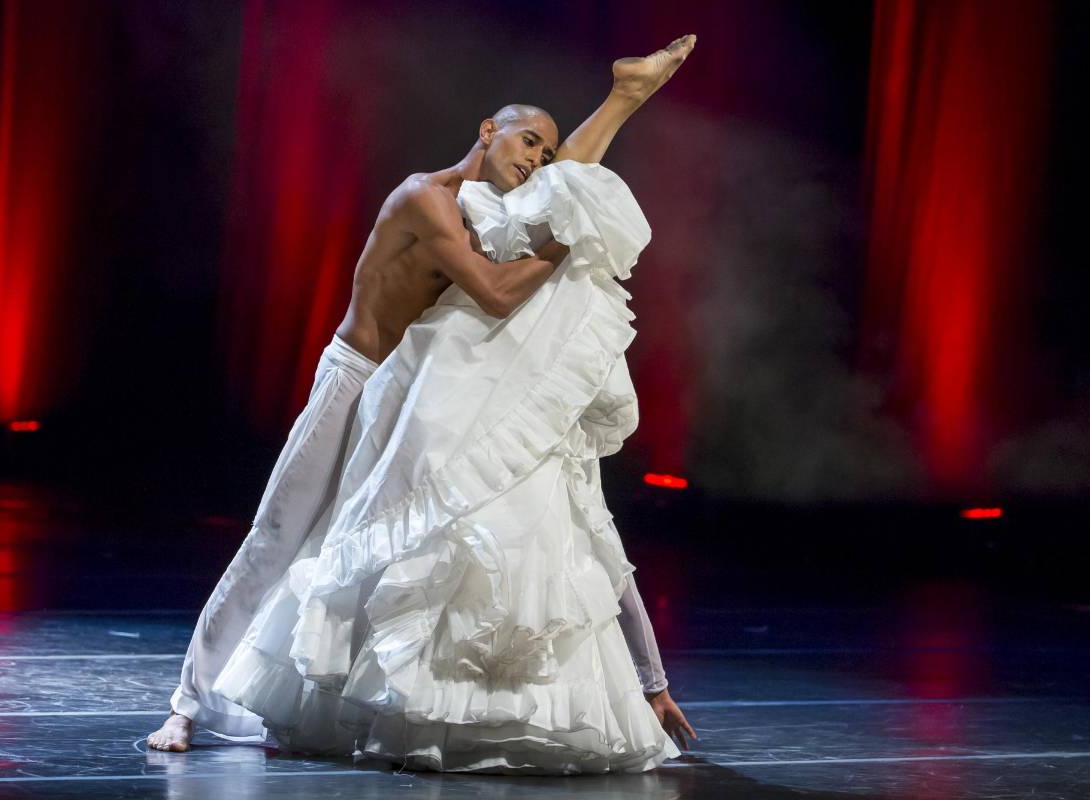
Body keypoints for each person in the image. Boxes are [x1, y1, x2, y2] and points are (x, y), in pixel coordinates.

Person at [147, 34, 697, 755]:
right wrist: (569, 243)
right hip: (354, 378)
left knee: (362, 545)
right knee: (280, 534)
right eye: (526, 141)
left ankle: (627, 92)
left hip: (403, 393)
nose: (533, 160)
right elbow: (499, 293)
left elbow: (565, 186)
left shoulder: (491, 211)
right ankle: (186, 704)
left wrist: (621, 106)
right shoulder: (424, 198)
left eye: (543, 152)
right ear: (486, 130)